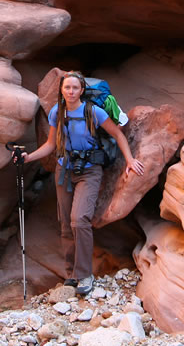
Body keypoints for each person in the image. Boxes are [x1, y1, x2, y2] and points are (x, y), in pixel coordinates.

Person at [19, 71, 144, 295]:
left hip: (89, 171)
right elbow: (50, 144)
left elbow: (117, 134)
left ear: (82, 90)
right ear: (62, 90)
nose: (71, 92)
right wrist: (29, 157)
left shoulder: (93, 112)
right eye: (67, 88)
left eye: (75, 88)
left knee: (80, 219)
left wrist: (130, 160)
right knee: (66, 224)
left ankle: (84, 274)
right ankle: (71, 275)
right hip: (64, 170)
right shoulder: (58, 112)